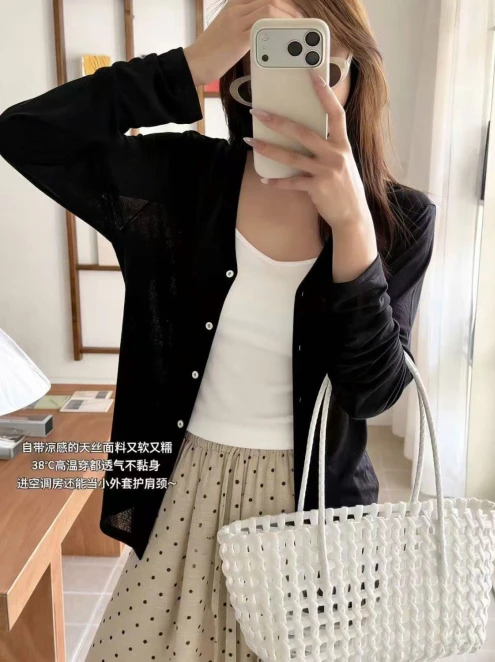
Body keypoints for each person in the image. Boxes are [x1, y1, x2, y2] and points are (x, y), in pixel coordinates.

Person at [0, 0, 436, 659]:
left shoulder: (399, 219)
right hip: (186, 486)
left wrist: (351, 226)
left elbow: (372, 391)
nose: (296, 85)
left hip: (317, 511)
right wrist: (187, 65)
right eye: (268, 58)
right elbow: (25, 135)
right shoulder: (180, 180)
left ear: (357, 81)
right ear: (240, 74)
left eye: (323, 65)